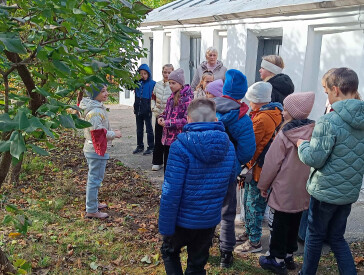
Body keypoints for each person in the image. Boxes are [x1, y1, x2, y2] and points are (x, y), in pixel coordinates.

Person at [297, 68, 364, 275]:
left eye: (326, 92)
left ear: (335, 90)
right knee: (336, 237)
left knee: (315, 236)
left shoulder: (328, 121)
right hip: (348, 192)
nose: (326, 96)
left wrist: (302, 145)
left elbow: (314, 158)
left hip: (325, 191)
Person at [159, 98, 237, 275]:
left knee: (169, 252)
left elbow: (171, 191)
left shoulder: (179, 147)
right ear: (215, 120)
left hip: (181, 219)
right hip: (208, 219)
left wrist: (165, 227)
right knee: (197, 263)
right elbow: (230, 180)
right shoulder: (229, 146)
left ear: (189, 120)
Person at [257, 92, 316, 275]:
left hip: (283, 189)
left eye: (286, 108)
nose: (282, 112)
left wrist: (263, 185)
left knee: (279, 224)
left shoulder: (285, 134)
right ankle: (290, 255)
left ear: (293, 112)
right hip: (303, 189)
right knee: (294, 222)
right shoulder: (314, 131)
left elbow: (272, 163)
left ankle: (276, 259)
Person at [213, 69, 256, 268]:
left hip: (205, 168)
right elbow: (248, 150)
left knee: (204, 208)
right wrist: (234, 162)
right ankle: (226, 255)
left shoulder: (209, 109)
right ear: (242, 92)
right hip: (228, 172)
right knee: (227, 213)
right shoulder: (243, 118)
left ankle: (202, 247)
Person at [235, 81, 283, 253]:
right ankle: (249, 233)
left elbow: (252, 146)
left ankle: (255, 242)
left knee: (254, 205)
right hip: (259, 168)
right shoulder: (274, 112)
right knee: (249, 202)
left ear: (259, 100)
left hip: (258, 170)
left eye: (251, 100)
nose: (249, 104)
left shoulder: (262, 119)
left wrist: (244, 164)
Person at [80, 84, 122, 219]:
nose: (106, 93)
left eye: (106, 90)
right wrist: (114, 134)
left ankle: (94, 203)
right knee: (95, 179)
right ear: (94, 93)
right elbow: (98, 133)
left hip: (94, 148)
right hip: (96, 149)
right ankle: (91, 209)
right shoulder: (95, 112)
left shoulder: (96, 106)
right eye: (102, 91)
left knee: (95, 177)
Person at [158, 68, 194, 172]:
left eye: (173, 83)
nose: (170, 86)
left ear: (181, 83)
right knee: (167, 168)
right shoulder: (171, 96)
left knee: (175, 170)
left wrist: (168, 123)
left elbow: (186, 120)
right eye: (169, 83)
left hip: (178, 139)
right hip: (167, 139)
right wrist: (162, 117)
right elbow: (166, 112)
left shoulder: (187, 99)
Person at [151, 64, 174, 171]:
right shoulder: (158, 84)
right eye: (165, 72)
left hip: (168, 117)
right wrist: (153, 107)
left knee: (167, 140)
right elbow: (153, 97)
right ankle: (157, 161)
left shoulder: (173, 85)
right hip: (158, 115)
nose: (166, 74)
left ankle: (167, 162)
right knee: (158, 139)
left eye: (169, 72)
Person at [133, 64, 156, 155]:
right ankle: (140, 146)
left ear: (148, 74)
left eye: (145, 73)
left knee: (149, 129)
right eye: (141, 73)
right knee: (139, 129)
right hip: (138, 109)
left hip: (147, 109)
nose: (143, 75)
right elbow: (128, 86)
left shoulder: (152, 83)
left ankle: (151, 146)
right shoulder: (137, 83)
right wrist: (135, 79)